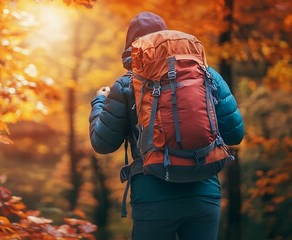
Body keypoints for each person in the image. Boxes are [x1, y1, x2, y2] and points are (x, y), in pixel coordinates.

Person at [88, 12, 244, 240]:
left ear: (132, 48)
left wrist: (99, 101)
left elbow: (102, 144)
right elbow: (235, 134)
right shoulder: (207, 75)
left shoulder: (125, 85)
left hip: (153, 197)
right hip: (204, 194)